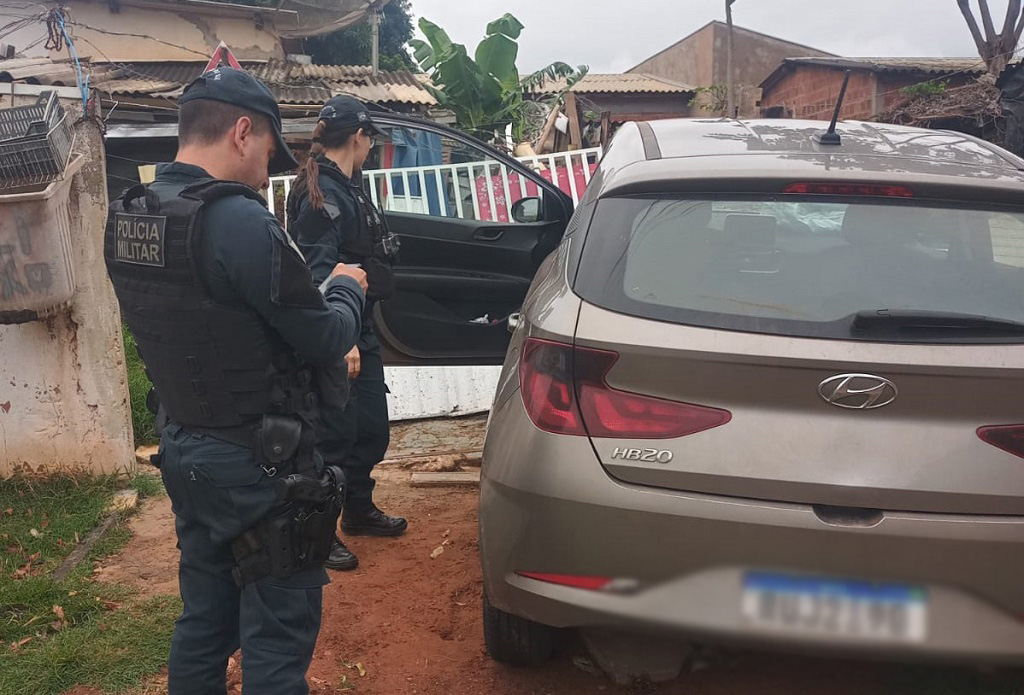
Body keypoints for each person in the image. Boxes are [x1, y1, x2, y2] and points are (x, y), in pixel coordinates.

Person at [104, 67, 368, 695]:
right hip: (261, 466)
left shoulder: (130, 216)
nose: (267, 170)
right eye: (270, 151)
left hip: (184, 449)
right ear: (243, 132)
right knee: (276, 640)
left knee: (205, 620)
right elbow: (325, 336)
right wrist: (346, 290)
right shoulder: (239, 222)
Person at [285, 95, 407, 572]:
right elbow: (319, 270)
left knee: (370, 429)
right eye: (370, 139)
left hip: (359, 324)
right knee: (333, 439)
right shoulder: (322, 194)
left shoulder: (346, 186)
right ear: (360, 136)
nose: (372, 147)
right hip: (338, 329)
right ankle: (319, 530)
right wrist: (343, 340)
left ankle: (358, 509)